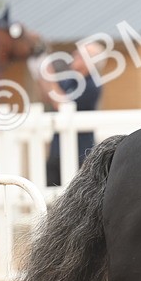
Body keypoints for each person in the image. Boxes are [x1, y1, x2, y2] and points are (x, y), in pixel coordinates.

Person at [40, 43, 103, 187]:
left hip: (80, 154)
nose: (74, 55)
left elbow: (62, 103)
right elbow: (49, 94)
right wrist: (42, 71)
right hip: (58, 151)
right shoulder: (72, 80)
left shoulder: (92, 84)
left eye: (80, 55)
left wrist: (48, 74)